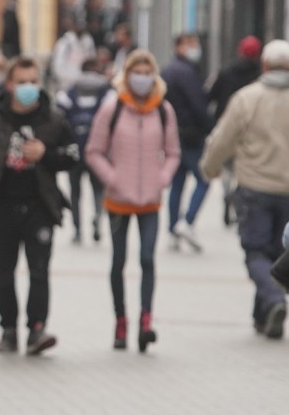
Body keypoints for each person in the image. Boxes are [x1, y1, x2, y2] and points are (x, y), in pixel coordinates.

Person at [0, 56, 79, 355]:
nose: (28, 87)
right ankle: (8, 329)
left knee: (39, 271)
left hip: (40, 206)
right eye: (22, 82)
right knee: (2, 272)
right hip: (1, 206)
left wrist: (46, 153)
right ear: (9, 85)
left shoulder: (53, 118)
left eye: (33, 81)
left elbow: (72, 155)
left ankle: (37, 330)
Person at [200, 39, 289, 340]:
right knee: (279, 251)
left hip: (255, 186)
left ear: (264, 65)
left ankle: (272, 300)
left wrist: (210, 168)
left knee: (255, 251)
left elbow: (222, 138)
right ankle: (264, 316)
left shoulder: (248, 98)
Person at [86, 49, 181, 352]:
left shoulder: (163, 110)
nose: (142, 78)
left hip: (150, 200)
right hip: (119, 199)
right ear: (126, 76)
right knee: (118, 261)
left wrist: (162, 178)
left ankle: (145, 321)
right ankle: (120, 321)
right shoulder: (112, 109)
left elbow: (173, 152)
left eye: (146, 72)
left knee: (147, 259)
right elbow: (94, 151)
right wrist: (112, 179)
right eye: (136, 73)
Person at [162, 32, 210, 252]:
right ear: (180, 46)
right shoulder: (186, 72)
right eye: (191, 44)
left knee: (178, 183)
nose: (195, 48)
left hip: (174, 134)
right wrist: (209, 127)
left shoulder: (169, 70)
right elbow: (198, 104)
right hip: (191, 135)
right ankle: (187, 222)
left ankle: (173, 229)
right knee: (204, 178)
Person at [56, 57, 112, 243]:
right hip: (98, 150)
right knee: (98, 189)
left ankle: (78, 230)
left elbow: (58, 115)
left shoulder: (70, 91)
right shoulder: (106, 91)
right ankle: (97, 217)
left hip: (74, 149)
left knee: (75, 192)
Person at [208, 35, 262, 226]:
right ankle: (237, 196)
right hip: (253, 131)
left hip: (227, 125)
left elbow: (210, 96)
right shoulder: (259, 75)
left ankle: (228, 193)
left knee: (228, 169)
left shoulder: (226, 72)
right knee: (245, 168)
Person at [51, 19, 96, 91]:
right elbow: (58, 65)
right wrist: (65, 79)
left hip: (85, 84)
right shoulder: (65, 43)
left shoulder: (88, 41)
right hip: (67, 83)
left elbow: (92, 60)